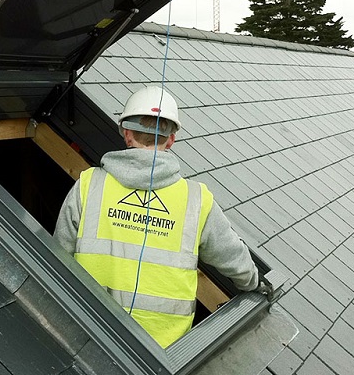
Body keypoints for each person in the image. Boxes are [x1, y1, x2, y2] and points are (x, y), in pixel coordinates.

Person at [54, 85, 259, 348]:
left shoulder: (88, 184)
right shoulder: (197, 200)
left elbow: (58, 257)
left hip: (89, 336)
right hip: (164, 356)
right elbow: (235, 260)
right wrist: (254, 283)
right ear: (171, 140)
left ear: (126, 134)